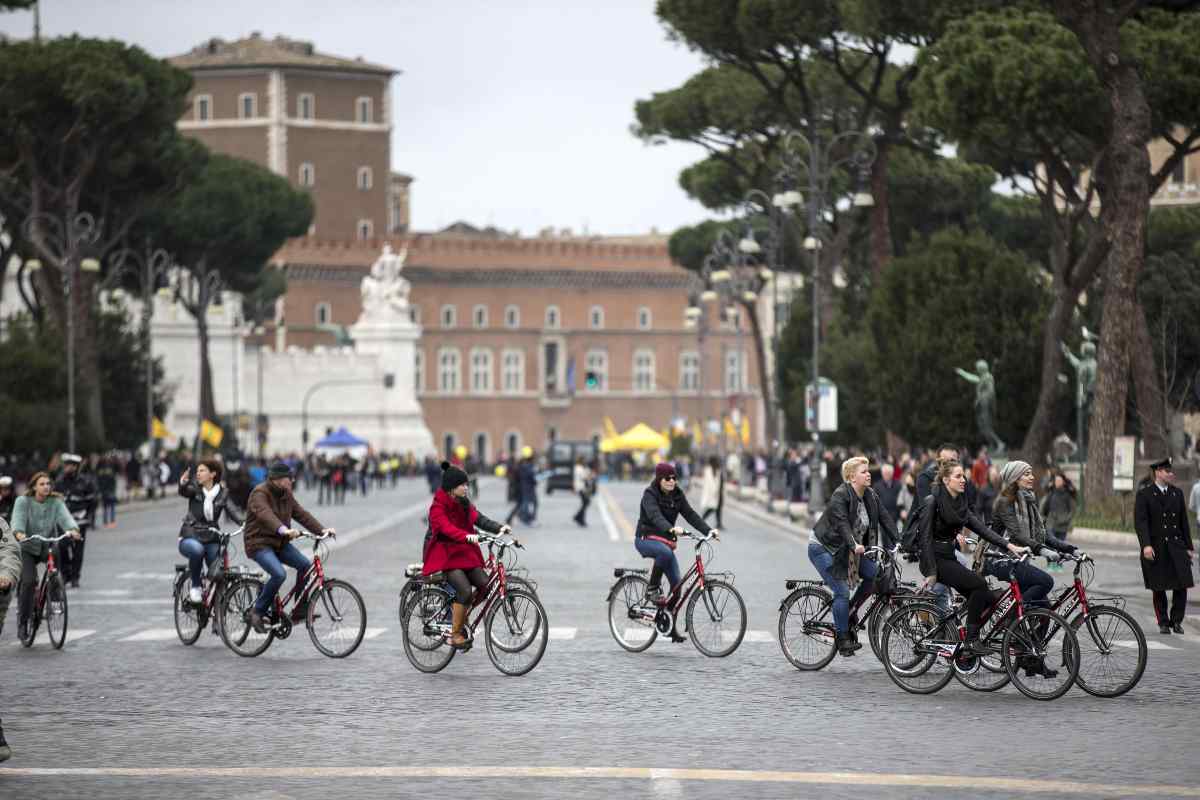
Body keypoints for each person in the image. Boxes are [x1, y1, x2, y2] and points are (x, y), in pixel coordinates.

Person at [917, 457, 1025, 655]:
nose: (963, 479)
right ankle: (970, 642)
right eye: (958, 476)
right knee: (979, 585)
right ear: (946, 480)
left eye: (963, 476)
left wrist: (1009, 545)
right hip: (935, 559)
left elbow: (982, 529)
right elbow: (924, 539)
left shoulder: (960, 505)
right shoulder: (933, 501)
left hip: (948, 556)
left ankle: (958, 634)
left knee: (986, 597)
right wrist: (931, 572)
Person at [809, 457, 900, 656]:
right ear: (851, 477)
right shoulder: (840, 495)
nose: (868, 474)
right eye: (863, 472)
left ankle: (849, 611)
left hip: (849, 549)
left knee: (876, 574)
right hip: (824, 548)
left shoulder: (871, 495)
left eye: (868, 471)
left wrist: (900, 541)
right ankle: (842, 638)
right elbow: (842, 523)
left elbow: (885, 518)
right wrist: (854, 544)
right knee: (841, 590)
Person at [423, 461, 512, 649]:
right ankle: (455, 634)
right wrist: (467, 537)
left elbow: (478, 518)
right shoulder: (437, 507)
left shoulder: (463, 503)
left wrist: (499, 527)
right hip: (444, 556)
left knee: (485, 584)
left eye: (466, 484)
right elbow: (447, 529)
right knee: (463, 589)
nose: (466, 487)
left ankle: (462, 613)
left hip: (462, 554)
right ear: (451, 488)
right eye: (462, 485)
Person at [243, 462, 335, 633]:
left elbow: (301, 514)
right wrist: (283, 529)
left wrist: (322, 530)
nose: (292, 481)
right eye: (289, 478)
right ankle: (257, 612)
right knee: (279, 574)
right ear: (277, 479)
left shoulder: (286, 494)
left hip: (279, 543)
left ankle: (300, 610)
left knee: (306, 567)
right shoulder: (259, 493)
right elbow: (265, 515)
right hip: (259, 543)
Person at [634, 463, 717, 642]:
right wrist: (671, 529)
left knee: (677, 590)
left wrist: (709, 531)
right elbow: (655, 516)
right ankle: (652, 588)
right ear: (659, 479)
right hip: (645, 538)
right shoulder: (650, 494)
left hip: (665, 542)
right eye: (667, 478)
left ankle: (668, 626)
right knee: (665, 552)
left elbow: (691, 514)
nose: (672, 481)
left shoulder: (677, 495)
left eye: (674, 478)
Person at [10, 472, 81, 641]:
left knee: (55, 564)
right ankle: (23, 621)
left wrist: (73, 530)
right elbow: (17, 520)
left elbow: (66, 518)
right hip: (27, 546)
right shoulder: (23, 502)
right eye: (42, 484)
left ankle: (55, 597)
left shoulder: (55, 502)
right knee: (28, 581)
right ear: (34, 486)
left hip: (46, 545)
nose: (46, 487)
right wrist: (19, 533)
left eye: (48, 484)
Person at [1134, 458, 1194, 635]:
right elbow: (1141, 522)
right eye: (1168, 471)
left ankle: (1177, 621)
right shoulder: (1145, 494)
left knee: (1181, 585)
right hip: (1156, 547)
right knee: (1158, 587)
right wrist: (1146, 545)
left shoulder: (1177, 493)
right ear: (1158, 473)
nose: (1171, 474)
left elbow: (1184, 521)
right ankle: (1163, 622)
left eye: (1171, 471)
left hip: (1177, 547)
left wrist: (1189, 547)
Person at [176, 460, 243, 604]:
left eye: (202, 471)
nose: (198, 474)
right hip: (190, 534)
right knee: (197, 550)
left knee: (218, 575)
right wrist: (183, 483)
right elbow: (184, 491)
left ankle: (217, 620)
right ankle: (195, 586)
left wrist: (246, 524)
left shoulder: (222, 493)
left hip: (212, 538)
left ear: (212, 474)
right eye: (198, 471)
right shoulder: (194, 488)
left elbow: (233, 511)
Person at [54, 453, 96, 588]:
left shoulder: (85, 481)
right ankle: (66, 573)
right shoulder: (59, 481)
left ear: (76, 467)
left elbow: (92, 501)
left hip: (80, 521)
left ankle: (75, 577)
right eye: (66, 465)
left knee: (78, 550)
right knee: (62, 547)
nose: (67, 467)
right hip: (63, 521)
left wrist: (89, 517)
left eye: (71, 465)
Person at [1040, 471, 1077, 569]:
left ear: (1063, 482)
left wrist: (1067, 519)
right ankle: (1051, 563)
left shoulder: (1068, 493)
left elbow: (1072, 508)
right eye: (1056, 480)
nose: (1057, 482)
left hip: (1062, 524)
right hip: (1051, 523)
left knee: (1061, 545)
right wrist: (1048, 478)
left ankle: (1059, 564)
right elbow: (1043, 487)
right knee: (1051, 544)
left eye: (1059, 480)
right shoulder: (1050, 492)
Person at [874, 463, 903, 528]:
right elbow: (875, 500)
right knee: (884, 535)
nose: (886, 475)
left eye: (888, 473)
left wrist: (900, 511)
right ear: (882, 474)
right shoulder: (877, 486)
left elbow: (901, 499)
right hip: (883, 515)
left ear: (892, 473)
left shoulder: (898, 484)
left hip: (895, 514)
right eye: (885, 473)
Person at [699, 456, 722, 527]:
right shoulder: (708, 470)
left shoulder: (717, 470)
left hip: (717, 492)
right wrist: (714, 491)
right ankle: (701, 520)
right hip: (711, 493)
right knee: (712, 507)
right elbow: (710, 482)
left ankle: (718, 523)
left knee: (716, 508)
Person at [572, 456, 594, 528]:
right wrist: (590, 475)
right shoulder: (579, 468)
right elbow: (584, 477)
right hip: (581, 488)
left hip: (582, 487)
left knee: (585, 503)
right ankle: (579, 518)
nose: (585, 462)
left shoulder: (581, 468)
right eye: (584, 460)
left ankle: (579, 518)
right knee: (586, 502)